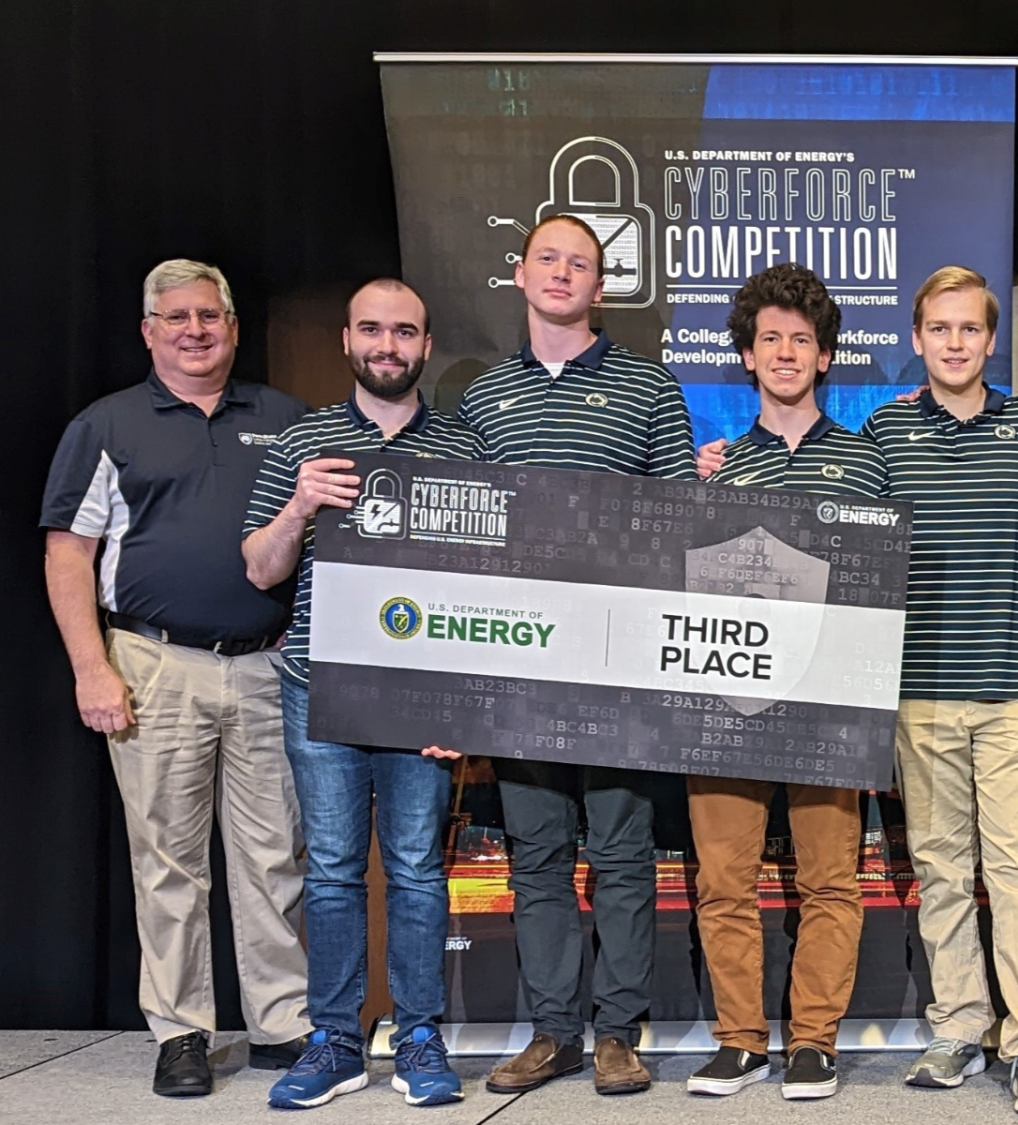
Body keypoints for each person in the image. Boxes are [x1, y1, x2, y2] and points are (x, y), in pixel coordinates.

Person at [436, 215, 696, 1097]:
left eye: (579, 262)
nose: (561, 272)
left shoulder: (649, 387)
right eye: (547, 257)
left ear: (601, 285)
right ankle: (553, 1031)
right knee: (536, 852)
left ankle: (618, 1032)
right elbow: (461, 538)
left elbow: (674, 532)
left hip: (619, 664)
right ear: (519, 273)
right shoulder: (481, 397)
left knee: (623, 852)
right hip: (520, 663)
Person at [40, 259, 311, 1098]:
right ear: (148, 331)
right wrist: (92, 667)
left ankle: (282, 1023)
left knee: (275, 856)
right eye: (177, 317)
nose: (195, 330)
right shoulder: (106, 425)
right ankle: (183, 1031)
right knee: (167, 860)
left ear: (232, 327)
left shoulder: (285, 417)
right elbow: (67, 554)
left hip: (268, 666)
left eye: (210, 316)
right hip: (153, 665)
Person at [243, 279, 482, 1109]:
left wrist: (460, 701)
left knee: (417, 868)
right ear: (347, 340)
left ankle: (419, 1033)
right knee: (335, 870)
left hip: (419, 694)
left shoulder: (463, 445)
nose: (389, 344)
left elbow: (489, 585)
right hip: (320, 686)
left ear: (425, 345)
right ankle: (336, 1037)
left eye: (405, 331)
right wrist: (300, 504)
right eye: (373, 330)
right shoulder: (303, 441)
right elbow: (260, 568)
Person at [854, 267, 1018, 1114]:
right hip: (921, 693)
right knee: (943, 870)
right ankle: (957, 1026)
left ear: (991, 341)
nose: (954, 343)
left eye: (969, 330)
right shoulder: (882, 433)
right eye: (938, 329)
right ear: (916, 339)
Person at [682, 264, 886, 1102]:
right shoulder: (716, 472)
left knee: (830, 880)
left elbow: (883, 591)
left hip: (830, 706)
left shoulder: (867, 463)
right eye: (771, 339)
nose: (787, 352)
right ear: (748, 354)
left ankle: (813, 1041)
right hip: (729, 702)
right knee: (723, 879)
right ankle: (738, 1040)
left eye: (802, 339)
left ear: (826, 356)